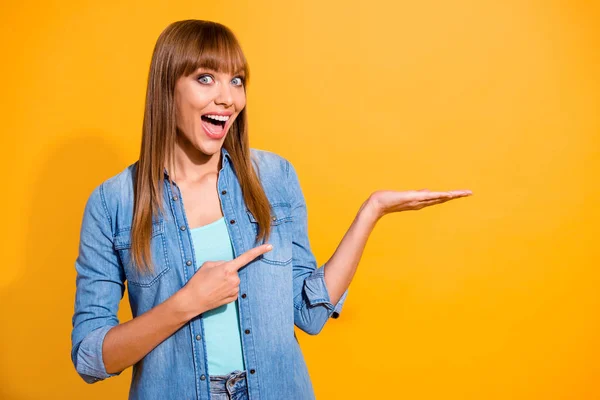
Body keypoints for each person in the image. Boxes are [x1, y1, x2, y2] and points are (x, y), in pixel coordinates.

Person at [70, 19, 472, 400]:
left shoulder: (274, 177)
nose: (227, 98)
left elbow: (309, 313)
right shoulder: (114, 203)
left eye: (237, 81)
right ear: (167, 88)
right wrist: (186, 303)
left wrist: (371, 211)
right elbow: (90, 356)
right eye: (205, 78)